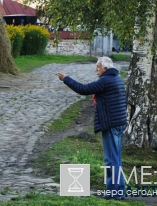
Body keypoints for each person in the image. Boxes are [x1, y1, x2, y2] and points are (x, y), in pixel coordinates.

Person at [54, 56, 127, 200]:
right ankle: (120, 191)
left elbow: (83, 89)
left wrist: (65, 78)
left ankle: (113, 193)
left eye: (98, 67)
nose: (96, 69)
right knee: (116, 158)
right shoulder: (117, 78)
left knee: (111, 160)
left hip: (111, 124)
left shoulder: (105, 81)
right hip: (118, 123)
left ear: (105, 68)